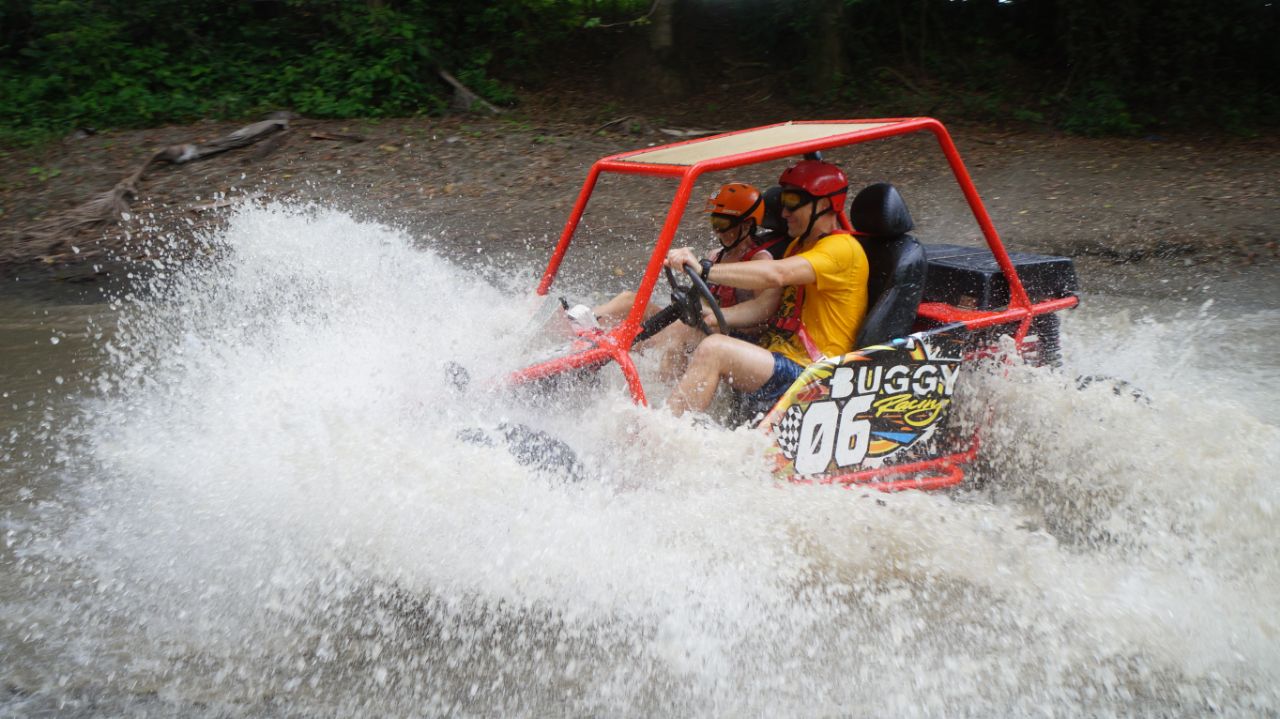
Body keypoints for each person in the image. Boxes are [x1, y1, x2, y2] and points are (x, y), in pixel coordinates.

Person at [662, 160, 870, 417]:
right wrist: (714, 317)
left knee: (715, 348)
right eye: (783, 202)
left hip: (815, 373)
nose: (784, 213)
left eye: (793, 202)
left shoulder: (843, 250)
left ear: (825, 204)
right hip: (776, 354)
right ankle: (659, 405)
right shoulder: (798, 246)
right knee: (689, 331)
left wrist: (705, 269)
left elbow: (776, 274)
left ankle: (659, 436)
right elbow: (764, 308)